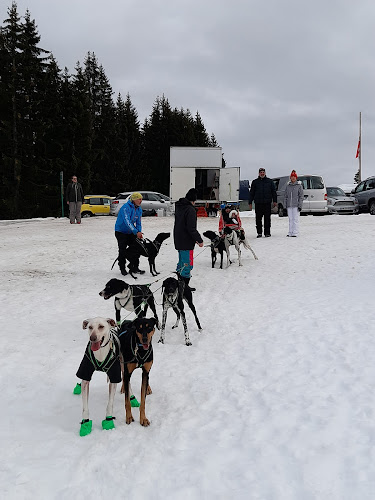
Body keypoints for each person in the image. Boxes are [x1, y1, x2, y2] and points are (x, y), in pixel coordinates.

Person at [173, 188, 204, 289]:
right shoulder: (190, 210)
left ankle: (179, 283)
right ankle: (184, 287)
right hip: (186, 241)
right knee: (187, 264)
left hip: (179, 239)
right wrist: (199, 240)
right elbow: (191, 228)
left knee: (181, 262)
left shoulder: (180, 206)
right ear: (194, 200)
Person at [115, 192, 144, 276]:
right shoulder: (125, 208)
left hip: (131, 232)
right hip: (121, 231)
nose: (141, 201)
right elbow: (127, 221)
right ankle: (122, 267)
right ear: (134, 199)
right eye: (139, 199)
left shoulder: (139, 209)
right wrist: (136, 231)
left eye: (141, 199)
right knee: (122, 249)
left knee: (137, 248)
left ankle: (134, 266)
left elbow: (138, 222)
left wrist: (139, 231)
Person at [248, 167, 277, 237]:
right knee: (258, 219)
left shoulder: (270, 181)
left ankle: (267, 233)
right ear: (259, 173)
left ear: (265, 173)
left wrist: (275, 201)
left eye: (263, 172)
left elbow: (273, 192)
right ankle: (259, 233)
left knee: (267, 219)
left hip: (267, 203)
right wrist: (250, 202)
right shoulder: (255, 182)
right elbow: (252, 193)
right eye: (261, 172)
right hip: (258, 203)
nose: (262, 173)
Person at [284, 170, 303, 237]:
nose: (293, 178)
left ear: (296, 177)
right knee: (290, 219)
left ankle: (295, 232)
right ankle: (290, 231)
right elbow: (285, 196)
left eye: (294, 177)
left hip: (296, 205)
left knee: (295, 219)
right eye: (292, 177)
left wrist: (300, 205)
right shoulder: (288, 186)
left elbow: (301, 196)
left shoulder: (299, 186)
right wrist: (285, 205)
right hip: (289, 205)